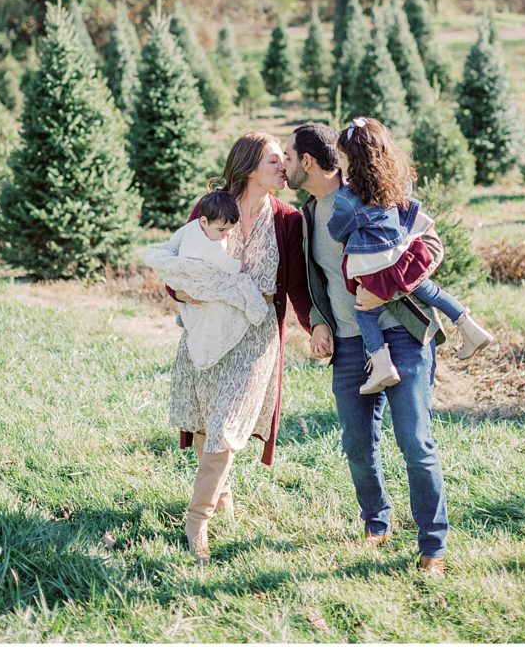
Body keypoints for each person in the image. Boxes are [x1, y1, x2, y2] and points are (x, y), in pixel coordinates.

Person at [283, 121, 449, 577]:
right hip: (351, 345)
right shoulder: (308, 217)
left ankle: (433, 544)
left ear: (310, 163)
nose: (285, 165)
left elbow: (431, 244)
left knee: (414, 442)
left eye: (289, 157)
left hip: (401, 335)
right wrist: (318, 323)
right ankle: (376, 522)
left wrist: (386, 287)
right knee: (358, 445)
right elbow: (310, 283)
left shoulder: (375, 190)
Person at [145, 133, 313, 563]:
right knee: (205, 423)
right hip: (206, 330)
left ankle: (196, 519)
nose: (284, 167)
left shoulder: (288, 220)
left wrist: (317, 327)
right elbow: (180, 257)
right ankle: (222, 494)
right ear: (250, 166)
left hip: (255, 339)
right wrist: (180, 294)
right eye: (275, 161)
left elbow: (296, 285)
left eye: (283, 160)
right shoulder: (210, 207)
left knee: (226, 426)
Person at [331, 117, 494, 394]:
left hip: (376, 266)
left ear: (353, 161)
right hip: (403, 255)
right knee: (428, 289)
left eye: (342, 157)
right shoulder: (397, 182)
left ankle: (381, 365)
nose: (340, 163)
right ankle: (469, 326)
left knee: (365, 311)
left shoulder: (348, 199)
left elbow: (337, 231)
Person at [145, 189, 270, 371]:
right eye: (221, 229)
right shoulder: (210, 245)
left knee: (199, 305)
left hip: (191, 278)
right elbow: (224, 263)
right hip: (196, 274)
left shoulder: (192, 227)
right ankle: (195, 330)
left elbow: (175, 241)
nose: (226, 234)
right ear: (204, 221)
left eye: (230, 229)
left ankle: (185, 317)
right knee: (213, 302)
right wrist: (240, 266)